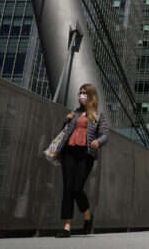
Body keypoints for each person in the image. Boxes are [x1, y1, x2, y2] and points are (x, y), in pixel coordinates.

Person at [55, 83, 109, 238]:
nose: (81, 96)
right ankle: (66, 226)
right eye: (80, 93)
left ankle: (87, 214)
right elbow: (63, 133)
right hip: (69, 152)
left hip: (86, 154)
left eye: (84, 93)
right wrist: (66, 120)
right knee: (67, 188)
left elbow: (105, 134)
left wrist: (98, 142)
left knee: (77, 188)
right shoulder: (75, 112)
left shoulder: (98, 115)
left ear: (91, 96)